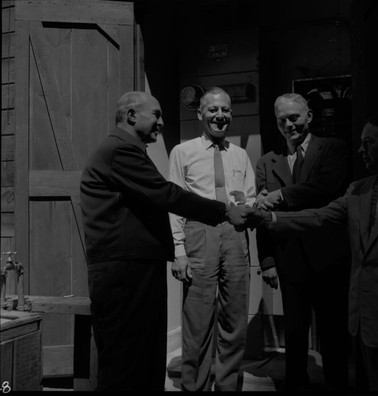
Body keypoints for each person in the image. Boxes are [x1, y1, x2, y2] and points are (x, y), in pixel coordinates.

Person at [247, 114, 378, 391]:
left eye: (368, 143)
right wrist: (268, 219)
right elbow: (319, 216)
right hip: (363, 323)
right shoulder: (358, 189)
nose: (360, 150)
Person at [80, 91, 252, 391]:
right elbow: (167, 194)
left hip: (138, 266)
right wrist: (221, 211)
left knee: (144, 354)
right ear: (132, 115)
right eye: (156, 115)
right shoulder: (121, 150)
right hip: (125, 271)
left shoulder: (129, 150)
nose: (161, 122)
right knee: (127, 359)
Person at [254, 93, 351, 392]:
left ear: (309, 115)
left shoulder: (332, 149)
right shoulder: (267, 162)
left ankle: (337, 385)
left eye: (294, 117)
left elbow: (324, 186)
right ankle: (296, 385)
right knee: (295, 334)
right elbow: (261, 215)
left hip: (329, 258)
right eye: (282, 120)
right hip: (289, 259)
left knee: (333, 332)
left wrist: (280, 196)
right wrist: (267, 261)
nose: (288, 125)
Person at [168, 87, 256, 391]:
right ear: (200, 114)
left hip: (234, 235)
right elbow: (174, 204)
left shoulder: (240, 155)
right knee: (197, 321)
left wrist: (249, 208)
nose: (220, 116)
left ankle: (229, 385)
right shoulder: (183, 152)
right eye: (213, 110)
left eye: (226, 110)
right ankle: (195, 387)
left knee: (234, 318)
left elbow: (251, 197)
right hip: (199, 233)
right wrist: (178, 251)